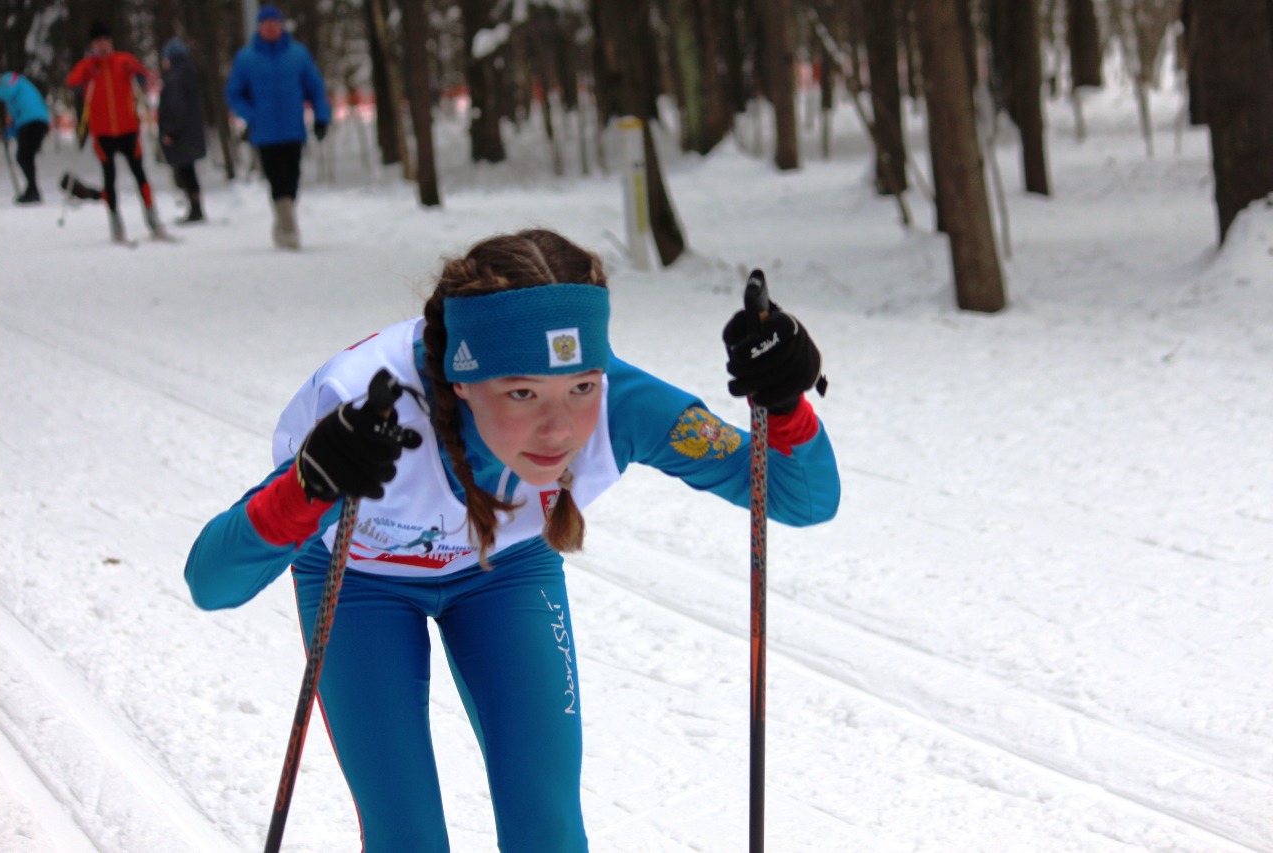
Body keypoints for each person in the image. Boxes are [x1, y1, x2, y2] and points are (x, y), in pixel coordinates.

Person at [184, 229, 840, 852]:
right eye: (522, 391)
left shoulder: (620, 405)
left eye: (580, 385)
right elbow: (212, 581)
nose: (559, 427)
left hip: (505, 572)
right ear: (462, 381)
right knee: (407, 836)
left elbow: (798, 496)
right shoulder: (372, 412)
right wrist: (310, 483)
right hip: (361, 584)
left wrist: (784, 404)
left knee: (547, 831)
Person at [225, 4, 331, 250]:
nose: (271, 28)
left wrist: (321, 117)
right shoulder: (247, 57)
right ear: (260, 27)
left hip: (293, 129)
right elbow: (234, 93)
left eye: (275, 23)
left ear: (281, 26)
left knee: (292, 179)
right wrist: (250, 116)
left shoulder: (298, 54)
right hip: (265, 132)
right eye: (266, 24)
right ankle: (289, 230)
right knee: (276, 180)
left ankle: (283, 224)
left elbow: (315, 88)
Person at [65, 21, 169, 243]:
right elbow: (72, 83)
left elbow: (145, 78)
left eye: (105, 40)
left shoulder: (123, 60)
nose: (102, 45)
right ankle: (116, 224)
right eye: (97, 41)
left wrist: (139, 76)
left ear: (110, 41)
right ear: (92, 44)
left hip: (128, 129)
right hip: (102, 132)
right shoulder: (87, 66)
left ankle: (153, 219)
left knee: (139, 174)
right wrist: (85, 77)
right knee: (109, 178)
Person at [158, 38, 207, 224]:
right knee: (189, 171)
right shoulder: (189, 73)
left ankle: (195, 209)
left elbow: (176, 106)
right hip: (190, 131)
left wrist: (170, 131)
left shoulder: (176, 78)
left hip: (181, 135)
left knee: (186, 172)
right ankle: (196, 208)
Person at [0, 70, 50, 204]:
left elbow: (8, 91)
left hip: (34, 119)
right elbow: (16, 115)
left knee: (24, 155)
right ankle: (32, 190)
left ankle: (33, 190)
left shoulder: (12, 77)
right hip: (29, 121)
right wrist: (7, 133)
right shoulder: (11, 99)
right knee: (25, 156)